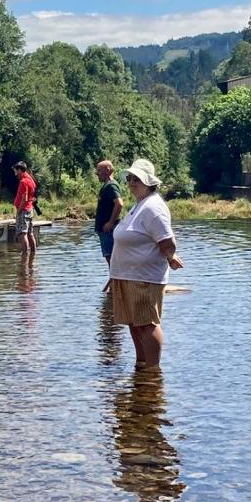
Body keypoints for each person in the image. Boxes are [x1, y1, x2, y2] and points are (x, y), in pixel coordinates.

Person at [108, 159, 183, 371]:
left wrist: (171, 255)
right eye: (130, 178)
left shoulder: (153, 207)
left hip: (144, 278)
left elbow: (166, 239)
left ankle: (152, 370)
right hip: (128, 274)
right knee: (134, 323)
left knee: (147, 323)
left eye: (137, 179)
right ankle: (141, 364)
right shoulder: (140, 204)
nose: (132, 182)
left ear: (149, 183)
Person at [94, 160, 124, 267]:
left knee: (113, 261)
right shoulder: (107, 186)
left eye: (99, 171)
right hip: (105, 231)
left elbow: (119, 203)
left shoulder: (111, 186)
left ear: (107, 170)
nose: (96, 174)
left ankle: (116, 282)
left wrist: (110, 223)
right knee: (111, 260)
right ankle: (115, 282)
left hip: (109, 231)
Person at [12, 162, 37, 257]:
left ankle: (25, 257)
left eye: (15, 171)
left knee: (22, 234)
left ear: (19, 170)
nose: (15, 174)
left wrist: (18, 211)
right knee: (30, 234)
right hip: (30, 209)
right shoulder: (31, 180)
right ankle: (33, 256)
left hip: (24, 210)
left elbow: (25, 198)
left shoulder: (23, 182)